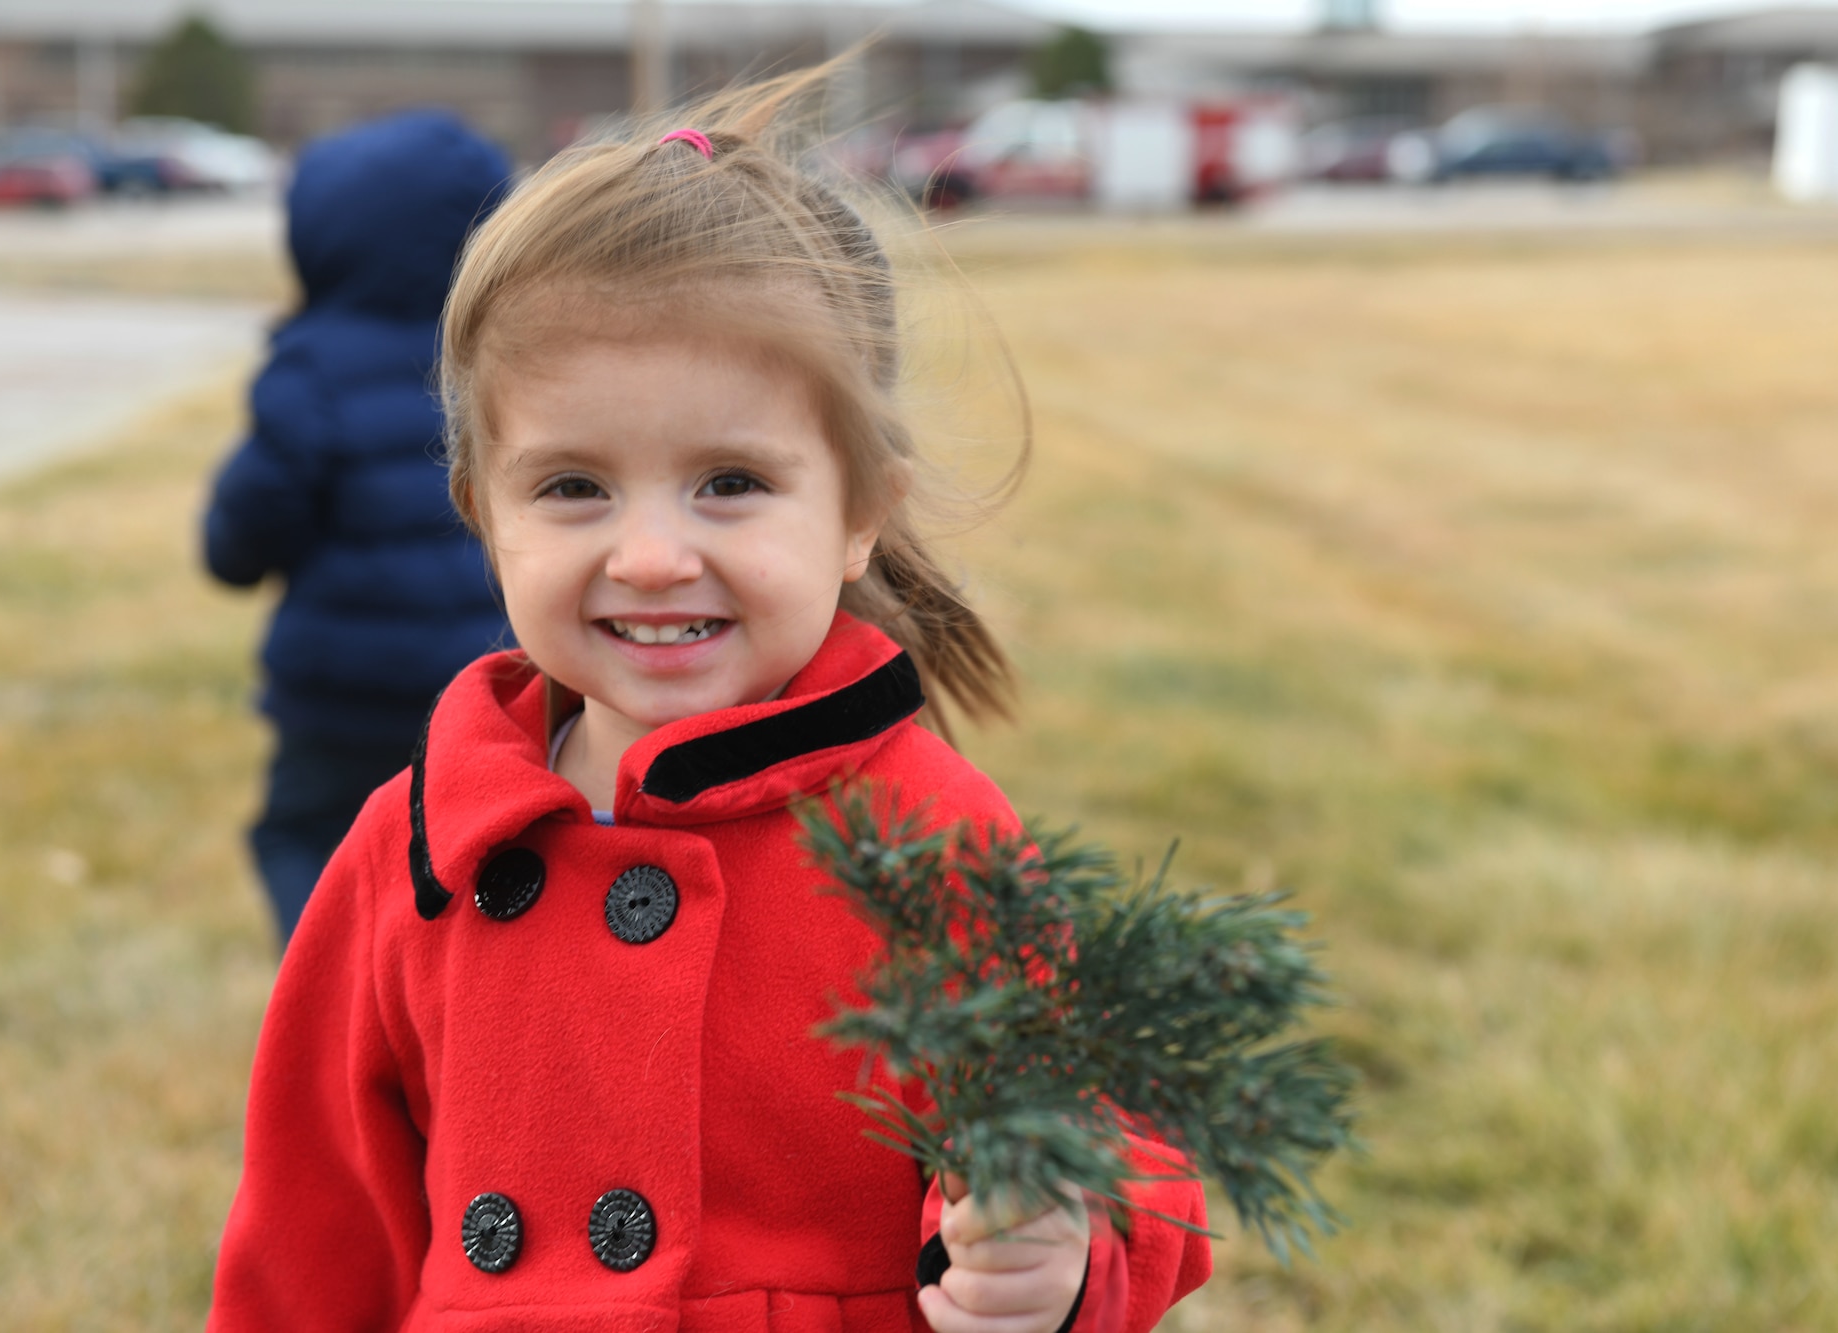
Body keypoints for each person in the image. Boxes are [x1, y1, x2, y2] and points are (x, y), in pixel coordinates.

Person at [207, 69, 1211, 1333]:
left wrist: (1059, 1255)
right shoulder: (409, 851)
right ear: (484, 516)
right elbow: (312, 1232)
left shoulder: (927, 840)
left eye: (727, 482)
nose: (648, 557)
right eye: (572, 487)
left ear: (858, 517)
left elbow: (1105, 1137)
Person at [202, 110, 514, 944]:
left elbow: (243, 539)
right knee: (466, 857)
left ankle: (334, 1006)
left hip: (338, 696)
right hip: (490, 683)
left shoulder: (312, 371)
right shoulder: (512, 356)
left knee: (306, 837)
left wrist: (230, 539)